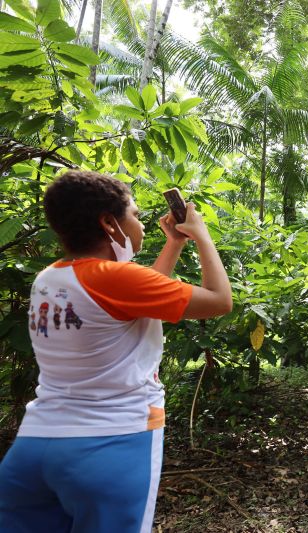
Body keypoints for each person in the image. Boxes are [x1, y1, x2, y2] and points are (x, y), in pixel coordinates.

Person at [0, 170, 232, 533]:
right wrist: (201, 235)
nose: (140, 224)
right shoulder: (115, 279)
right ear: (109, 223)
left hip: (34, 449)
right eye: (136, 215)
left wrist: (174, 244)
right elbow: (219, 301)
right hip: (109, 446)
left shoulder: (49, 278)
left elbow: (137, 300)